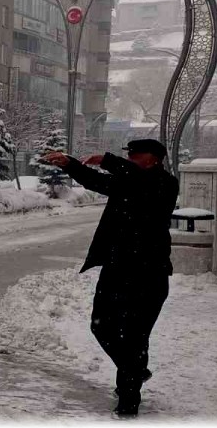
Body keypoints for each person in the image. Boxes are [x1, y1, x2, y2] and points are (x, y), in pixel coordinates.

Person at [40, 139, 178, 417]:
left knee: (136, 336)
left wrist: (109, 160)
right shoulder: (127, 181)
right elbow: (95, 181)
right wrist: (71, 164)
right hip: (117, 267)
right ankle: (136, 371)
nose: (131, 159)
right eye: (129, 156)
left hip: (150, 272)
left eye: (135, 155)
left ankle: (128, 401)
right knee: (100, 326)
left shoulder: (165, 183)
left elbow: (139, 181)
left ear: (153, 159)